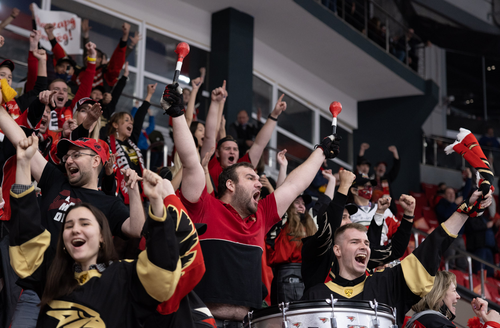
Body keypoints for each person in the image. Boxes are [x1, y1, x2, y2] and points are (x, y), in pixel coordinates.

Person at [161, 82, 341, 326]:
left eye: (258, 178)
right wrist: (178, 115)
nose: (259, 184)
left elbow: (293, 185)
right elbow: (191, 162)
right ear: (230, 186)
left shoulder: (261, 217)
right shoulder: (204, 206)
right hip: (200, 321)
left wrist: (321, 151)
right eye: (250, 178)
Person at [9, 133, 193, 326]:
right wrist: (22, 163)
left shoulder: (121, 277)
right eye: (69, 225)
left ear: (102, 236)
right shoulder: (52, 273)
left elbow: (160, 274)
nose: (75, 230)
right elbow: (26, 237)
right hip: (33, 300)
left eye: (85, 223)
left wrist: (156, 203)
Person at [302, 188, 493, 326]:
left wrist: (465, 210)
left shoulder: (386, 284)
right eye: (355, 242)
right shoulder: (315, 295)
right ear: (337, 250)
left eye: (367, 243)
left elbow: (432, 246)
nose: (364, 247)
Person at [301, 170, 414, 292]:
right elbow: (329, 228)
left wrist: (408, 215)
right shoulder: (315, 247)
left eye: (349, 217)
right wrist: (344, 186)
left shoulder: (355, 254)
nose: (349, 222)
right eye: (343, 217)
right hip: (319, 309)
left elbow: (395, 251)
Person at [106, 83, 157, 204]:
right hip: (120, 196)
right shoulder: (107, 142)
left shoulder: (132, 141)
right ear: (115, 124)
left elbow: (140, 116)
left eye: (131, 121)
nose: (131, 123)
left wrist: (149, 95)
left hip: (140, 194)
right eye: (126, 120)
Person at [405, 271, 500, 328]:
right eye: (454, 290)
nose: (458, 296)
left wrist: (482, 320)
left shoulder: (424, 320)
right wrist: (493, 324)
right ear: (439, 294)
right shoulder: (437, 323)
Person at [349, 173, 400, 245]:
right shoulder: (347, 211)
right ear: (354, 190)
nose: (369, 188)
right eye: (365, 186)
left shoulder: (384, 209)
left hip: (380, 253)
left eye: (370, 186)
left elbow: (399, 232)